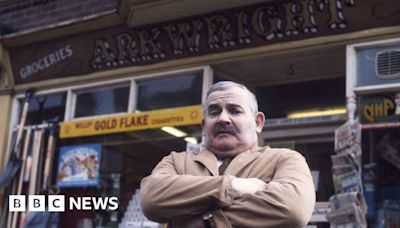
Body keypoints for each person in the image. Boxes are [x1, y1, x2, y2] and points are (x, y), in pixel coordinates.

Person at [140, 81, 316, 227]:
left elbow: (292, 208)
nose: (223, 119)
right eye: (214, 112)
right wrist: (233, 186)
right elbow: (151, 200)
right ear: (203, 125)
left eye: (235, 110)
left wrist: (206, 221)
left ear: (258, 123)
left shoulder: (284, 159)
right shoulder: (176, 161)